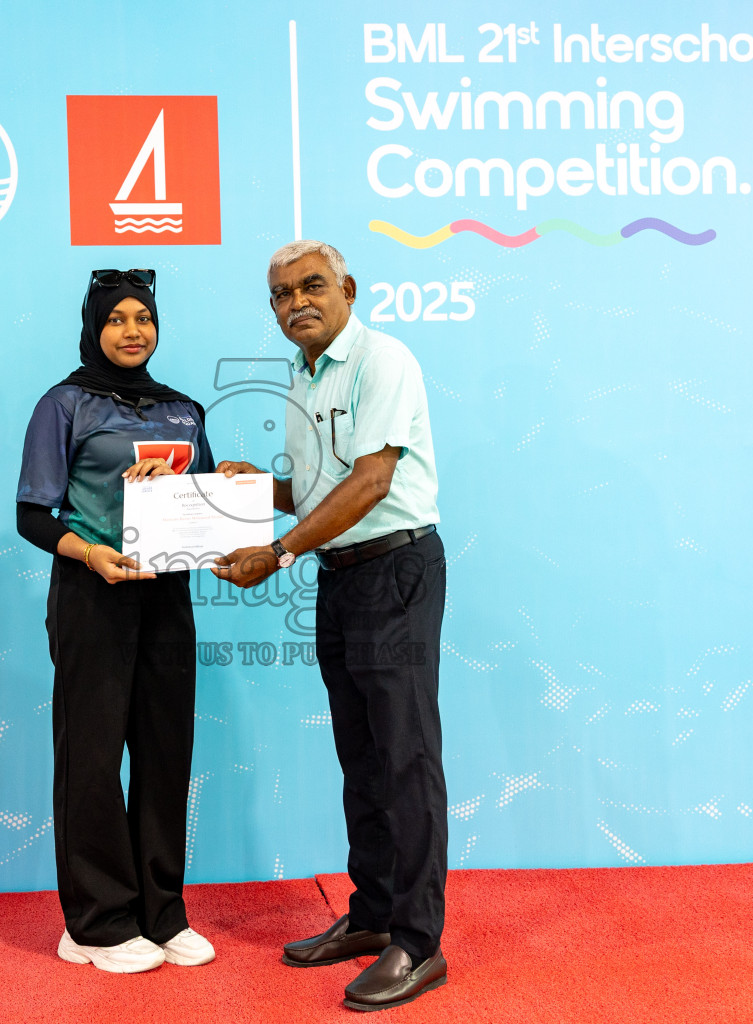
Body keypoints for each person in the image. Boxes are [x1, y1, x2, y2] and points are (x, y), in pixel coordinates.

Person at [214, 240, 449, 1011]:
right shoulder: (303, 375)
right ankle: (373, 915)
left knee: (406, 756)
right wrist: (265, 489)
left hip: (396, 569)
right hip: (341, 576)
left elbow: (373, 481)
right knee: (362, 756)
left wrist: (278, 551)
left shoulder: (383, 360)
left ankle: (418, 942)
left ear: (348, 289)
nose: (297, 303)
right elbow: (322, 489)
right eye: (282, 295)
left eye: (312, 286)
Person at [15, 268, 217, 974]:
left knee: (166, 754)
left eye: (144, 318)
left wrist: (216, 501)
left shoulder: (184, 410)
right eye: (117, 319)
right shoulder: (65, 404)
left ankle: (162, 914)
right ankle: (95, 923)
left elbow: (205, 505)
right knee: (93, 758)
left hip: (167, 596)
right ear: (93, 327)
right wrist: (91, 553)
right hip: (92, 593)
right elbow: (32, 515)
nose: (133, 331)